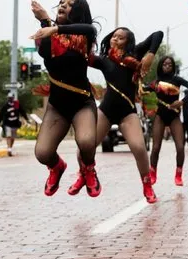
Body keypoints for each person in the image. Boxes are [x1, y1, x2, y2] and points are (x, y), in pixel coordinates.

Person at [67, 27, 162, 203]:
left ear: (128, 41)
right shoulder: (104, 60)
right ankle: (84, 175)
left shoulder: (136, 54)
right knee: (83, 147)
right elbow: (82, 56)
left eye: (121, 37)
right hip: (107, 110)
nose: (115, 39)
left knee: (140, 148)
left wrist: (150, 54)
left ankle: (147, 185)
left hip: (127, 112)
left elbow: (157, 34)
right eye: (114, 36)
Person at [29, 0, 100, 197]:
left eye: (70, 5)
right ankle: (57, 167)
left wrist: (55, 27)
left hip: (82, 102)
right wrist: (45, 22)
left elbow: (90, 29)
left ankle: (88, 169)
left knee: (86, 141)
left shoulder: (84, 36)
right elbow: (46, 53)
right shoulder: (46, 33)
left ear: (78, 13)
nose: (63, 6)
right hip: (57, 106)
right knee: (42, 153)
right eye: (62, 3)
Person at [145, 56, 188, 186]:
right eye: (164, 64)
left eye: (170, 64)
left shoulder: (176, 80)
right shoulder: (156, 82)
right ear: (161, 66)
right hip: (160, 116)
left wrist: (182, 101)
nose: (167, 66)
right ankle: (152, 173)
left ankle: (178, 175)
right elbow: (143, 89)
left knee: (180, 147)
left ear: (173, 66)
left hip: (174, 117)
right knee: (156, 147)